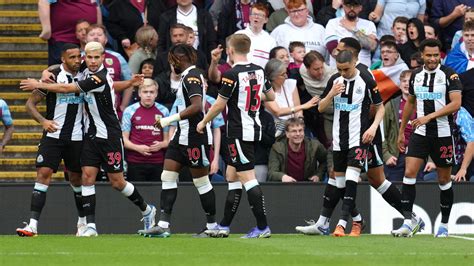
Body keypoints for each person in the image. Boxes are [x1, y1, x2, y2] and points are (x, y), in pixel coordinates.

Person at [20, 41, 156, 237]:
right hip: (90, 135)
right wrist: (45, 72)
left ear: (103, 58)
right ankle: (89, 226)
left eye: (96, 57)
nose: (91, 61)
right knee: (87, 177)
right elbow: (58, 69)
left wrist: (37, 83)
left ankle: (147, 209)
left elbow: (69, 89)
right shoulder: (83, 70)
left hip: (109, 135)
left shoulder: (99, 77)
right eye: (88, 57)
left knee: (117, 182)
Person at [196, 33, 276, 238]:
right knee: (232, 176)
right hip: (253, 128)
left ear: (230, 51)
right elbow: (271, 95)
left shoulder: (231, 74)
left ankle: (262, 227)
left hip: (238, 131)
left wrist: (204, 121)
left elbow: (219, 104)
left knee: (248, 178)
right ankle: (224, 226)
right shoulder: (258, 70)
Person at [138, 44, 217, 238]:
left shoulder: (191, 76)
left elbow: (197, 107)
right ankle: (163, 225)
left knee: (201, 182)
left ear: (178, 59)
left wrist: (168, 120)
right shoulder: (189, 76)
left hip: (194, 137)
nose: (171, 65)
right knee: (168, 177)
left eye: (172, 61)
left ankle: (213, 226)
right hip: (179, 137)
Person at [392, 39, 462, 238]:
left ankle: (445, 226)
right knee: (409, 172)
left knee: (444, 179)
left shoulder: (450, 75)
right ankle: (408, 221)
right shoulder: (415, 76)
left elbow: (456, 103)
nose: (432, 59)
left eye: (435, 55)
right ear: (421, 55)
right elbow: (410, 102)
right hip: (420, 133)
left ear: (440, 54)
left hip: (443, 134)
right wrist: (400, 130)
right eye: (428, 55)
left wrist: (429, 117)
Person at [15, 44, 85, 237]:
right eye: (72, 57)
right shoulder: (53, 77)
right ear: (63, 59)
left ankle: (82, 223)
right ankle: (32, 225)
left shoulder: (86, 74)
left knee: (76, 178)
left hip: (77, 136)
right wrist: (43, 121)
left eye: (79, 56)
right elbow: (30, 105)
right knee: (43, 174)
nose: (77, 60)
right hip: (53, 136)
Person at [317, 50, 384, 236]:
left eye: (346, 69)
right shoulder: (334, 80)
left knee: (351, 178)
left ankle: (341, 224)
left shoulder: (366, 81)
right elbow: (321, 108)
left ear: (355, 62)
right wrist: (331, 94)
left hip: (359, 138)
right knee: (341, 185)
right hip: (339, 139)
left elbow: (380, 107)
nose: (343, 73)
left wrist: (373, 127)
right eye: (339, 69)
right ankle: (358, 220)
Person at [122, 78, 170, 182]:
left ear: (156, 94)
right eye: (145, 92)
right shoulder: (129, 111)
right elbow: (123, 140)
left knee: (157, 194)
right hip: (135, 161)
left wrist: (161, 144)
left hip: (157, 162)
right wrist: (137, 147)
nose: (148, 95)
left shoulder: (164, 111)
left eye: (151, 92)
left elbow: (168, 140)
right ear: (139, 93)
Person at [263, 58, 319, 137]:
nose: (286, 76)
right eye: (283, 74)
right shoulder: (266, 91)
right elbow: (278, 112)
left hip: (294, 125)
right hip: (277, 130)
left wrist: (299, 121)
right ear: (273, 77)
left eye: (286, 73)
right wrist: (304, 106)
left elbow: (298, 109)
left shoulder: (290, 83)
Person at [37, 0, 101, 65]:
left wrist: (99, 30)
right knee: (59, 70)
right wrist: (46, 29)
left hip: (88, 39)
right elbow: (44, 2)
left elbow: (96, 5)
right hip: (63, 38)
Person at [267, 118, 327, 182]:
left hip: (308, 185)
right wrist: (282, 177)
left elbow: (325, 160)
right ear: (287, 134)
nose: (298, 134)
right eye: (294, 131)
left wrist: (318, 175)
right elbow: (272, 173)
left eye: (300, 130)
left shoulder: (314, 145)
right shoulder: (277, 148)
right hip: (285, 186)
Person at [324, 0, 378, 68]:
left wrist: (354, 30)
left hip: (363, 73)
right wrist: (362, 42)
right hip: (339, 72)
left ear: (360, 7)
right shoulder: (333, 23)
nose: (352, 8)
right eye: (348, 5)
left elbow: (373, 46)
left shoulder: (369, 24)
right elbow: (333, 51)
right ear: (343, 5)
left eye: (355, 5)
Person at [235, 2, 277, 69]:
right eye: (254, 14)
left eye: (260, 15)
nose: (256, 17)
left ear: (266, 20)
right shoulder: (238, 35)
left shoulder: (270, 41)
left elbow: (272, 65)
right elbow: (230, 60)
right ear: (249, 17)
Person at [455, 66, 474, 182]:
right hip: (452, 160)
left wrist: (463, 169)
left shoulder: (463, 116)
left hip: (465, 162)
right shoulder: (461, 113)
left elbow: (471, 141)